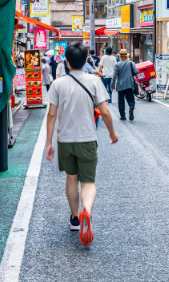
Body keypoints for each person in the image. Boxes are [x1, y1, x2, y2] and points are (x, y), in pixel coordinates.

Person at [45, 42, 118, 246]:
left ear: (66, 62)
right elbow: (104, 111)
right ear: (86, 60)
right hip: (87, 139)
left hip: (65, 140)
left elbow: (51, 115)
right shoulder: (94, 81)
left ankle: (75, 218)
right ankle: (87, 209)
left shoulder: (58, 84)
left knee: (71, 179)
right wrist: (112, 133)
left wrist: (48, 143)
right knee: (88, 182)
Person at [112, 50, 139, 121]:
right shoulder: (131, 63)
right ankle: (131, 108)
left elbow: (114, 75)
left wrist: (112, 85)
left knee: (121, 101)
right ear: (127, 56)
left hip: (120, 85)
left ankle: (122, 116)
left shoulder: (117, 64)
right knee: (130, 98)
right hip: (129, 84)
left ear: (120, 56)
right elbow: (136, 71)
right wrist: (130, 75)